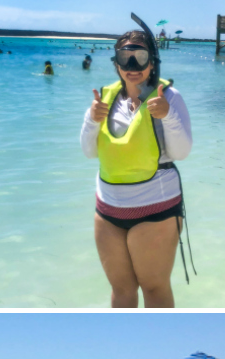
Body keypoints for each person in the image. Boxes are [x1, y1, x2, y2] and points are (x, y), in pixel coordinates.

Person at [82, 17, 193, 308]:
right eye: (125, 58)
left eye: (140, 57)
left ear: (152, 62)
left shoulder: (168, 97)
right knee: (121, 292)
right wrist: (92, 121)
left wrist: (167, 115)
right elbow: (89, 152)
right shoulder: (104, 99)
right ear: (116, 63)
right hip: (108, 213)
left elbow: (181, 152)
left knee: (154, 289)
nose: (132, 67)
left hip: (154, 210)